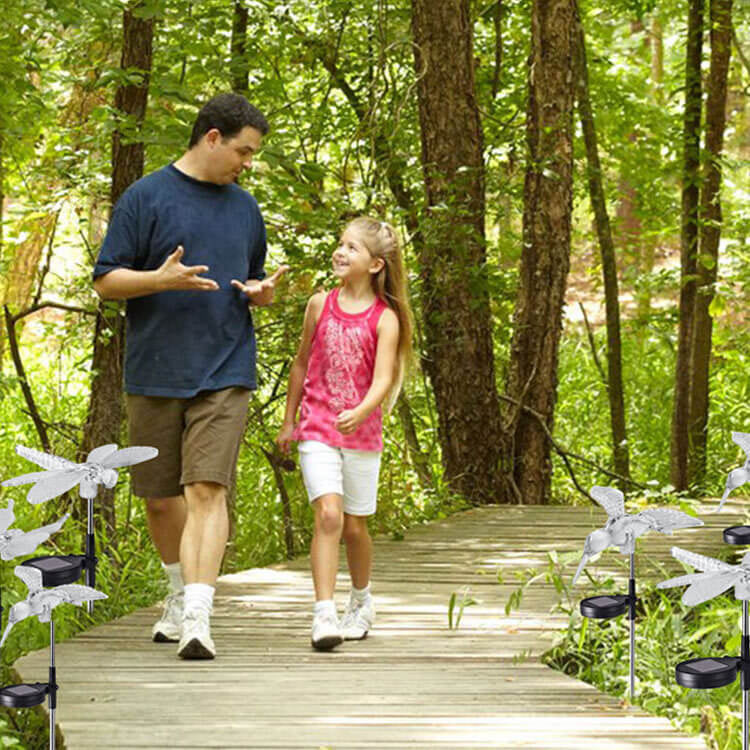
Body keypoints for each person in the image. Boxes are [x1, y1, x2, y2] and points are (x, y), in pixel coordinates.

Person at [92, 93, 287, 660]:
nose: (246, 163)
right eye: (243, 152)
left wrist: (261, 294)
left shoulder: (245, 209)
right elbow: (106, 282)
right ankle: (179, 592)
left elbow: (249, 277)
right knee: (159, 499)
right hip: (156, 369)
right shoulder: (146, 197)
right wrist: (159, 280)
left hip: (226, 366)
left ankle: (199, 616)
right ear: (211, 139)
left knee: (207, 488)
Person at [277, 216, 413, 651]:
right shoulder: (319, 304)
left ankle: (360, 600)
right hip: (317, 426)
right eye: (341, 244)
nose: (340, 252)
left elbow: (384, 378)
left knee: (355, 528)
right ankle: (323, 614)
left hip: (361, 434)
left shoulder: (384, 318)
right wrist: (288, 420)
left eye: (351, 248)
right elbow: (301, 364)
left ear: (374, 265)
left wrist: (362, 409)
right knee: (329, 516)